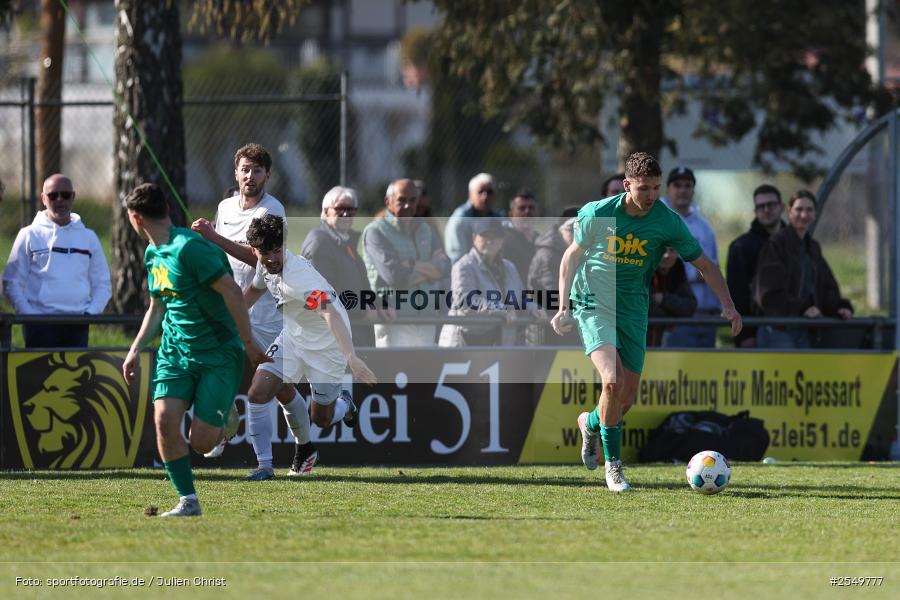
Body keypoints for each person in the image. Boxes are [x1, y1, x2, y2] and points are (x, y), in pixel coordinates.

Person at [551, 152, 741, 492]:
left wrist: (729, 306)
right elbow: (570, 257)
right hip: (593, 302)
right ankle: (615, 469)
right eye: (644, 188)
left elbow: (706, 266)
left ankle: (590, 422)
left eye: (656, 187)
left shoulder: (666, 221)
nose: (651, 195)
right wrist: (562, 305)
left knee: (625, 399)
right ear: (627, 185)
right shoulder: (600, 212)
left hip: (633, 308)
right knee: (612, 381)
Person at [121, 183, 269, 517]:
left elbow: (232, 291)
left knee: (201, 443)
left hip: (217, 353)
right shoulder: (152, 254)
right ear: (167, 209)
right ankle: (188, 500)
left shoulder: (190, 249)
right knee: (163, 419)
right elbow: (157, 307)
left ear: (135, 218)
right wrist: (135, 349)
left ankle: (225, 417)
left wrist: (247, 343)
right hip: (175, 352)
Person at [191, 143, 321, 478]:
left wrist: (215, 239)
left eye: (257, 170)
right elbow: (218, 253)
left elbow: (262, 257)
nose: (250, 176)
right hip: (235, 307)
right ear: (236, 172)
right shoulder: (224, 206)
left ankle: (284, 454)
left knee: (269, 389)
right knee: (250, 381)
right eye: (245, 169)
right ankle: (229, 432)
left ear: (268, 175)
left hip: (272, 313)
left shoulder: (272, 209)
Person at [243, 215, 377, 461]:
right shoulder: (265, 266)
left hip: (328, 345)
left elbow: (330, 313)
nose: (272, 259)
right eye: (265, 253)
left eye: (277, 251)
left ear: (284, 246)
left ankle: (345, 404)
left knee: (321, 418)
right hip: (293, 336)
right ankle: (265, 467)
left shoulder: (298, 278)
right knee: (257, 393)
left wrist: (351, 357)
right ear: (255, 250)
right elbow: (253, 291)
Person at [4, 174, 111, 348]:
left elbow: (103, 283)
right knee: (40, 375)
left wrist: (89, 314)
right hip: (39, 327)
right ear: (43, 199)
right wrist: (30, 316)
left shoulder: (89, 237)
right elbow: (12, 283)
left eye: (66, 195)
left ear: (73, 197)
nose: (60, 200)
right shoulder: (28, 234)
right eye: (53, 195)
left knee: (75, 375)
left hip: (77, 326)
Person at [753, 189, 853, 348]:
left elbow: (826, 286)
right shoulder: (776, 244)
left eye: (809, 210)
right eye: (799, 209)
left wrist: (840, 307)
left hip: (805, 330)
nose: (804, 215)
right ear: (789, 212)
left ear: (815, 214)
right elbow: (768, 294)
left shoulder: (813, 247)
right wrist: (802, 309)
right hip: (779, 330)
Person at [363, 178, 450, 347]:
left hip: (426, 318)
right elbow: (395, 277)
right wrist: (430, 271)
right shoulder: (375, 232)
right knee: (391, 373)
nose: (407, 206)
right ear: (388, 202)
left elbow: (445, 267)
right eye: (401, 200)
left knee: (424, 373)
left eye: (412, 200)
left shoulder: (426, 229)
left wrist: (410, 264)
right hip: (393, 320)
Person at [301, 186, 382, 347]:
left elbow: (359, 288)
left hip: (353, 335)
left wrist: (380, 305)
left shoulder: (345, 243)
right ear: (325, 211)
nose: (346, 214)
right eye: (339, 209)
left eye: (351, 210)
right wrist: (362, 313)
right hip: (331, 340)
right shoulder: (319, 243)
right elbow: (320, 299)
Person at [439, 218, 529, 347]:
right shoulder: (463, 266)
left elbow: (521, 297)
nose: (490, 241)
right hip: (463, 344)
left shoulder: (510, 267)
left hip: (498, 344)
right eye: (485, 236)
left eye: (496, 236)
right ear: (474, 238)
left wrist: (532, 309)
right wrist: (502, 309)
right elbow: (466, 301)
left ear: (502, 241)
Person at [661, 166, 720, 347]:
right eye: (677, 185)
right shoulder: (658, 220)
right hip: (673, 312)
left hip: (705, 312)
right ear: (668, 189)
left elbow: (713, 268)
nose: (683, 190)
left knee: (703, 373)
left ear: (693, 190)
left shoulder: (704, 227)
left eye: (687, 186)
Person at [726, 184, 785, 348]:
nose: (766, 210)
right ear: (755, 211)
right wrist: (744, 335)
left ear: (782, 207)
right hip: (758, 331)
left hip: (796, 327)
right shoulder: (741, 247)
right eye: (760, 206)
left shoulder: (796, 242)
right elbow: (736, 295)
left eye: (771, 205)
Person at [526, 207, 581, 346]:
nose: (577, 235)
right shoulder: (548, 256)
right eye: (572, 230)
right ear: (561, 229)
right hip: (548, 332)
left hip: (566, 326)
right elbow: (553, 296)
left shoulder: (576, 253)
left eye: (581, 230)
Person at [444, 173, 503, 262]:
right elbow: (457, 257)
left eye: (489, 192)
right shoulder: (460, 219)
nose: (485, 196)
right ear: (470, 195)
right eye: (480, 192)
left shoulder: (498, 216)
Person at [647, 247, 697, 346]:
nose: (667, 255)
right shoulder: (643, 269)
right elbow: (645, 308)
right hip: (638, 341)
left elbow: (691, 306)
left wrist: (664, 299)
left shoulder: (678, 269)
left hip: (666, 344)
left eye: (672, 250)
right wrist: (675, 314)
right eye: (662, 250)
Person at [503, 189, 539, 282]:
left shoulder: (541, 241)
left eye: (531, 208)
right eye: (521, 208)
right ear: (510, 215)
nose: (527, 211)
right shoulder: (503, 242)